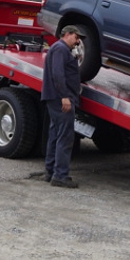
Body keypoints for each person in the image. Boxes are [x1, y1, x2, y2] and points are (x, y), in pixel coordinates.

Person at [41, 25, 85, 188]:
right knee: (65, 137)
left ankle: (51, 171)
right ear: (67, 34)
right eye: (76, 37)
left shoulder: (60, 50)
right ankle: (60, 175)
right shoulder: (60, 49)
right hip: (60, 99)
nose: (78, 41)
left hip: (55, 98)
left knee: (55, 134)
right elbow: (58, 74)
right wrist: (65, 97)